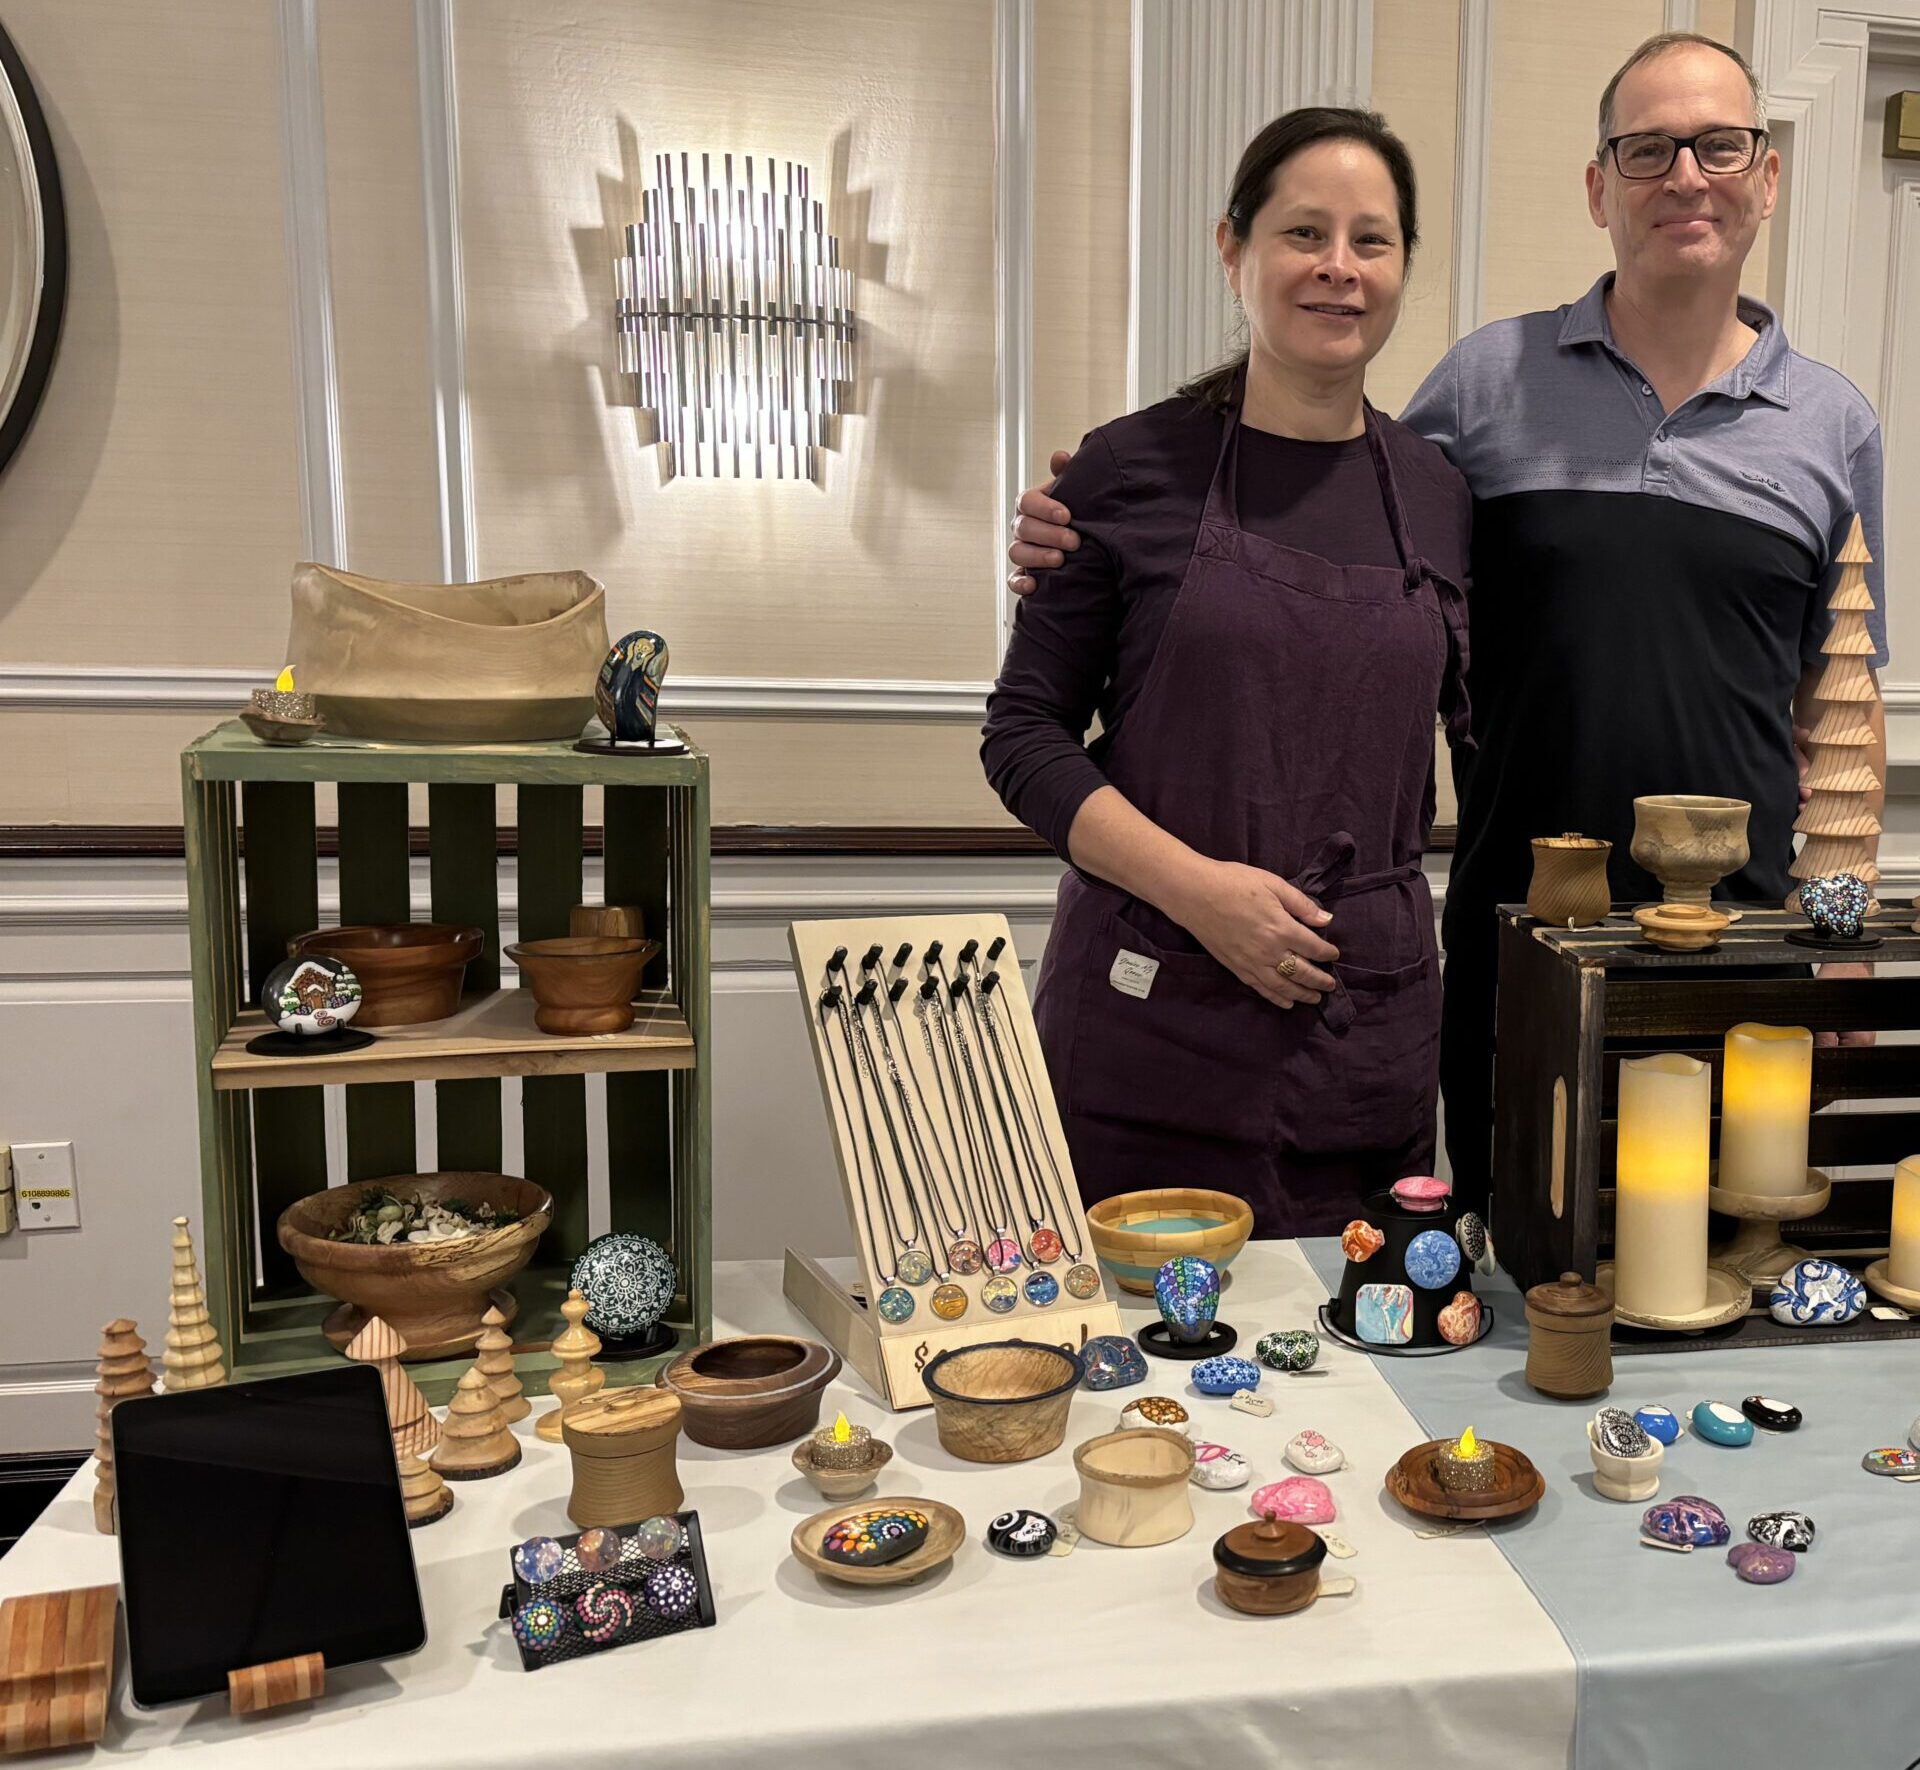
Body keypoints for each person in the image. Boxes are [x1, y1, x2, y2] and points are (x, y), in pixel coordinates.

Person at [1007, 33, 1888, 1221]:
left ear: (1766, 173)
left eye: (1720, 144)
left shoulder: (1830, 426)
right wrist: (1070, 530)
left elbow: (1841, 716)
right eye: (1647, 149)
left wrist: (1836, 944)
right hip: (1498, 949)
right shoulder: (1477, 396)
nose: (1686, 175)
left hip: (1700, 959)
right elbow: (1033, 725)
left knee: (1698, 1293)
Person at [981, 107, 1472, 1239]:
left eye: (1372, 239)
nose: (1339, 268)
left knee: (1358, 1375)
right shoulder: (1125, 471)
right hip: (1153, 1041)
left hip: (1366, 1046)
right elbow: (1022, 737)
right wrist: (1201, 893)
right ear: (1232, 250)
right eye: (1305, 233)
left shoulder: (1443, 498)